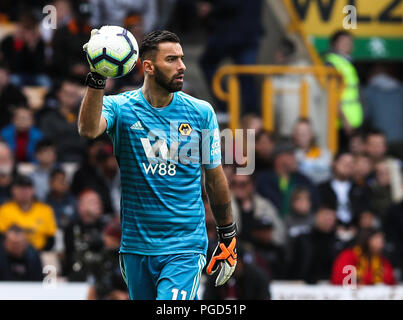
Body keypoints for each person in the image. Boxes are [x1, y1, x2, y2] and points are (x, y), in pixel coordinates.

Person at [79, 30, 237, 300]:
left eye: (182, 59)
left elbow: (214, 178)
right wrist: (97, 77)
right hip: (135, 247)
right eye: (172, 59)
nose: (182, 66)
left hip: (184, 247)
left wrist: (228, 235)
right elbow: (88, 129)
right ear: (148, 67)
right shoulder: (120, 108)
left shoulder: (201, 112)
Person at [198, 0, 264, 115]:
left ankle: (226, 108)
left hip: (228, 32)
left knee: (207, 63)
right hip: (249, 32)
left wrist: (211, 7)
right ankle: (251, 116)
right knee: (246, 76)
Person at [256, 141, 319, 217]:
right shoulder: (263, 180)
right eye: (290, 155)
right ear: (278, 157)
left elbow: (316, 202)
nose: (294, 158)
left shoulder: (303, 180)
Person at [324, 30, 363, 151]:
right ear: (334, 44)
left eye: (350, 42)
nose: (348, 44)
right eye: (344, 42)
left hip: (352, 121)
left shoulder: (347, 63)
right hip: (341, 123)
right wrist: (344, 120)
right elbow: (332, 95)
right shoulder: (332, 63)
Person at [286, 205, 343, 284]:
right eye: (325, 215)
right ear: (316, 216)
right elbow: (292, 263)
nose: (328, 219)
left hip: (330, 285)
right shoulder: (303, 239)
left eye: (331, 216)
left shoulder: (339, 243)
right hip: (303, 285)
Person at [0, 175, 57, 251]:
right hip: (11, 253)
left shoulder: (45, 210)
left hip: (40, 252)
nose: (23, 191)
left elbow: (51, 239)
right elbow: (1, 237)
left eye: (27, 188)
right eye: (20, 188)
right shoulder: (4, 209)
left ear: (33, 190)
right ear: (13, 190)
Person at [230, 171, 285, 246]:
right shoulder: (224, 205)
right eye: (234, 183)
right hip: (236, 251)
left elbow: (281, 233)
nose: (238, 187)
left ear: (252, 185)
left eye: (243, 184)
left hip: (262, 250)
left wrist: (269, 236)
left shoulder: (264, 205)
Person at [62, 188, 106, 281]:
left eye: (98, 201)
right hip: (78, 275)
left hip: (103, 274)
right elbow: (73, 255)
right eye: (92, 202)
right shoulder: (72, 228)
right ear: (81, 207)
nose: (98, 204)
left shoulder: (106, 226)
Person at [318, 151, 369, 226]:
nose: (347, 165)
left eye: (351, 163)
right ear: (334, 163)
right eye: (343, 161)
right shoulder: (322, 188)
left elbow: (365, 214)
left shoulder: (361, 189)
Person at [364, 64, 403, 160]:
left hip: (378, 140)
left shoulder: (369, 91)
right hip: (399, 137)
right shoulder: (400, 90)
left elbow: (366, 114)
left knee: (381, 167)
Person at [331, 227, 396, 285]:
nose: (381, 244)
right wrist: (370, 278)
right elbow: (340, 280)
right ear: (366, 239)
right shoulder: (349, 255)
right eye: (377, 239)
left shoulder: (382, 259)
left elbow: (390, 280)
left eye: (382, 240)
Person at [87, 218, 129, 300]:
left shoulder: (126, 259)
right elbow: (97, 285)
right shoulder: (102, 258)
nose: (106, 240)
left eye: (110, 237)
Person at [292, 118, 332, 184]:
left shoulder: (325, 154)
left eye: (305, 131)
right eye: (299, 131)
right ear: (294, 135)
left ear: (312, 134)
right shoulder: (290, 156)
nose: (302, 134)